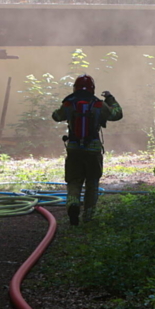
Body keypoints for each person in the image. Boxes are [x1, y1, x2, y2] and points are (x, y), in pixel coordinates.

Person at [51, 74, 123, 226]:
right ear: (92, 88)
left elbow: (56, 116)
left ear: (75, 88)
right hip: (93, 149)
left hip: (74, 148)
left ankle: (73, 204)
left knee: (74, 180)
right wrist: (110, 98)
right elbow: (117, 114)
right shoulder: (98, 104)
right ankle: (88, 217)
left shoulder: (69, 103)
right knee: (92, 182)